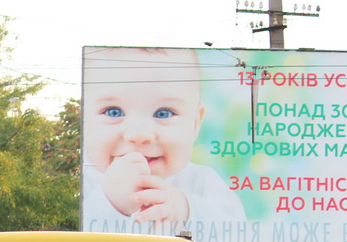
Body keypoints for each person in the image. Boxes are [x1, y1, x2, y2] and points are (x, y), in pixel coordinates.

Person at [82, 47, 245, 229]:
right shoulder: (82, 184)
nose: (139, 135)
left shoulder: (202, 182)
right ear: (83, 119)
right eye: (113, 112)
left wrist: (186, 211)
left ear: (195, 124)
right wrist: (110, 203)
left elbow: (238, 238)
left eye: (163, 113)